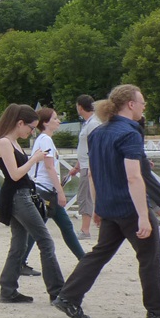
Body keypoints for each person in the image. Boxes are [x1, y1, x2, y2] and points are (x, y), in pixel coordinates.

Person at [53, 86, 160, 318]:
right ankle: (158, 312)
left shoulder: (98, 133)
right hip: (129, 206)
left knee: (99, 254)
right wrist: (142, 216)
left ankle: (68, 296)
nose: (144, 106)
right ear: (130, 104)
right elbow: (133, 177)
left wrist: (97, 207)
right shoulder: (129, 133)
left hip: (109, 206)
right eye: (142, 102)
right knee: (149, 258)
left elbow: (94, 173)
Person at [0, 103, 65, 304]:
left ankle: (8, 289)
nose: (32, 132)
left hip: (19, 194)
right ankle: (57, 291)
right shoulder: (5, 142)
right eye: (31, 127)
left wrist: (32, 160)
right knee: (45, 241)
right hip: (18, 195)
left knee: (19, 244)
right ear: (19, 123)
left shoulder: (11, 142)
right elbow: (14, 174)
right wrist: (34, 160)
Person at [23, 107, 85, 267]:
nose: (58, 121)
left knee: (49, 227)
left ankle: (83, 259)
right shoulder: (46, 140)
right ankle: (84, 259)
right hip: (46, 190)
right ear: (45, 122)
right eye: (55, 119)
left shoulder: (42, 139)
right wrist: (60, 191)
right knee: (57, 226)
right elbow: (50, 167)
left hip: (43, 189)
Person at [68, 95, 101, 239]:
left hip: (89, 166)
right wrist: (77, 166)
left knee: (85, 196)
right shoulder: (89, 123)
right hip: (85, 165)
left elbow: (92, 147)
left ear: (80, 107)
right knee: (86, 195)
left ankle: (85, 229)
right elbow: (85, 148)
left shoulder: (93, 123)